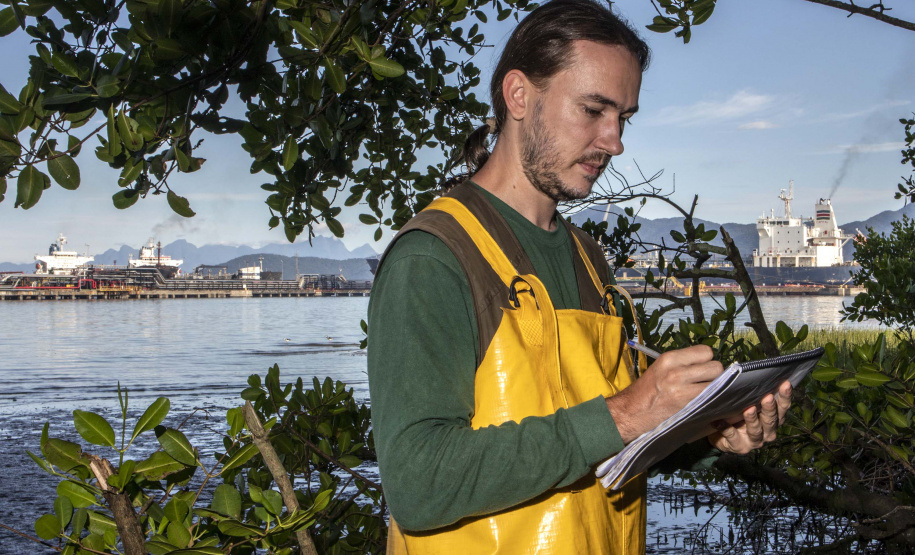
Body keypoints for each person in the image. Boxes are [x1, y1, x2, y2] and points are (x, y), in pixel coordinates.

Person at [367, 1, 793, 553]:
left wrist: (711, 432)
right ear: (519, 96)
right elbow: (418, 484)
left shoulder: (591, 262)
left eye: (624, 118)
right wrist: (629, 411)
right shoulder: (435, 258)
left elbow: (606, 445)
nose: (614, 142)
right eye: (593, 110)